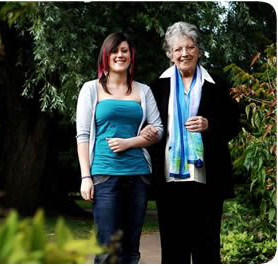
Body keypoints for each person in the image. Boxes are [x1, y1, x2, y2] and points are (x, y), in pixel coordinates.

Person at [142, 21, 240, 263]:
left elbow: (234, 126)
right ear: (170, 54)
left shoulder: (218, 85)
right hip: (169, 179)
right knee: (173, 248)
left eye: (190, 47)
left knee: (207, 247)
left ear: (199, 50)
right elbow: (149, 125)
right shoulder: (156, 86)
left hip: (207, 178)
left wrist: (210, 126)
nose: (184, 53)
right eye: (178, 49)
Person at [76, 32, 163, 264]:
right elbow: (83, 135)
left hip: (139, 176)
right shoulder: (90, 89)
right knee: (107, 248)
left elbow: (159, 129)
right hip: (105, 177)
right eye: (114, 50)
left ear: (131, 56)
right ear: (105, 55)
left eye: (124, 50)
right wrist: (86, 176)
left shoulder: (143, 90)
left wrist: (131, 142)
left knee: (131, 249)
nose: (120, 55)